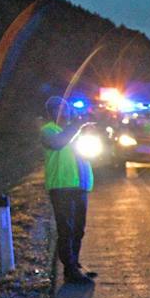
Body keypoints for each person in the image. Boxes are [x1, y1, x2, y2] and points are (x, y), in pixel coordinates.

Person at [39, 97, 95, 284]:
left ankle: (74, 264)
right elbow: (58, 143)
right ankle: (69, 271)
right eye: (60, 109)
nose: (66, 113)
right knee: (67, 230)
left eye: (67, 109)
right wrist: (77, 125)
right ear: (51, 112)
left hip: (79, 185)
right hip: (62, 187)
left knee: (78, 229)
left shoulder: (75, 131)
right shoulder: (48, 131)